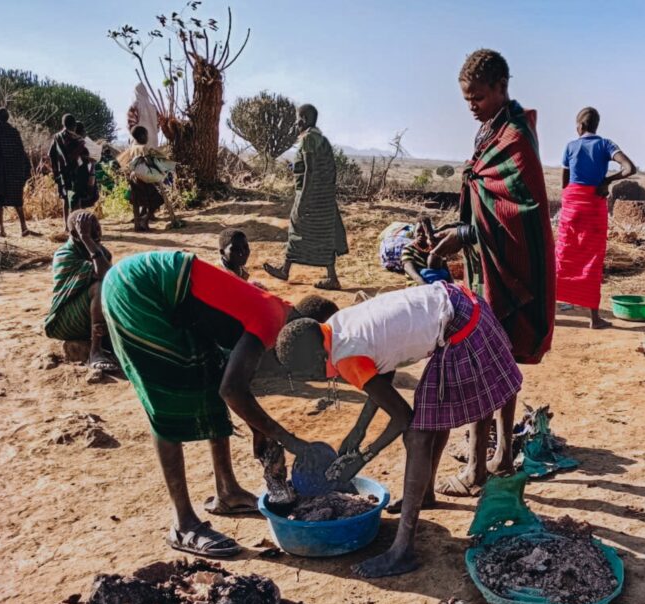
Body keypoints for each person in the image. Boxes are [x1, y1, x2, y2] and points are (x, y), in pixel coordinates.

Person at [275, 281, 522, 577]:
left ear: (317, 359)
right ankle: (425, 493)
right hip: (460, 302)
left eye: (309, 374)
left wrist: (365, 455)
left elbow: (402, 417)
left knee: (418, 434)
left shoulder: (345, 357)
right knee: (432, 414)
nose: (314, 379)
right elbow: (383, 368)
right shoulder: (335, 327)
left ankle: (402, 550)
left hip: (461, 326)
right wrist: (359, 430)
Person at [101, 250, 318, 557]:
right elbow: (233, 391)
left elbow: (230, 383)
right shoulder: (270, 322)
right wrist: (289, 439)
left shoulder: (277, 310)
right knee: (167, 398)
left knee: (209, 372)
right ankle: (183, 523)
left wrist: (259, 429)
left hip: (169, 295)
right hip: (138, 290)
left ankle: (227, 492)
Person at [430, 49, 555, 496]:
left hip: (508, 267)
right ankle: (499, 452)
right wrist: (458, 232)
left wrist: (462, 234)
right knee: (496, 358)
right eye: (467, 99)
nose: (472, 106)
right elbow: (486, 197)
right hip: (488, 265)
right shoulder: (494, 130)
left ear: (502, 87)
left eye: (479, 97)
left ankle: (479, 470)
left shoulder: (515, 137)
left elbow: (517, 212)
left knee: (487, 361)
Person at [556, 107, 636, 329]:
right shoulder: (606, 144)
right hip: (593, 205)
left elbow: (564, 182)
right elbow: (629, 168)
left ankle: (548, 314)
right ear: (596, 126)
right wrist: (606, 181)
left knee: (564, 256)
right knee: (592, 259)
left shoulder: (570, 146)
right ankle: (594, 319)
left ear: (579, 127)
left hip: (572, 204)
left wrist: (570, 202)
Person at [263, 104, 348, 290]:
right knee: (324, 236)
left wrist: (303, 200)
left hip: (311, 197)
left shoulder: (308, 139)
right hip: (324, 199)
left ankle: (286, 270)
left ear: (304, 119)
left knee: (296, 230)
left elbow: (310, 170)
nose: (296, 123)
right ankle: (330, 277)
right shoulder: (322, 139)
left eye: (297, 118)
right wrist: (296, 169)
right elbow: (321, 168)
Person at [43, 210, 119, 372]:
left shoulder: (101, 252)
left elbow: (112, 279)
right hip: (64, 320)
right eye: (91, 230)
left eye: (98, 227)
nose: (98, 233)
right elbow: (103, 275)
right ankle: (95, 351)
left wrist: (90, 241)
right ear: (75, 234)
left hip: (89, 314)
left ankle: (110, 342)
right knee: (99, 287)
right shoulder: (64, 254)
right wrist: (87, 239)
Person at [0, 107, 34, 238]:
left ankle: (1, 230)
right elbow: (21, 153)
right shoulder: (14, 132)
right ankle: (23, 227)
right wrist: (23, 172)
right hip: (14, 173)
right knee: (17, 201)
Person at [117, 126, 170, 232]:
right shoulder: (143, 148)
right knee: (156, 201)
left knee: (136, 204)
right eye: (146, 135)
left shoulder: (131, 149)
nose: (147, 137)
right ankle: (145, 220)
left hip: (134, 180)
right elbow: (149, 162)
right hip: (144, 180)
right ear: (142, 136)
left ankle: (137, 225)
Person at [48, 114, 89, 226]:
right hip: (76, 172)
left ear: (63, 124)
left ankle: (66, 225)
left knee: (65, 198)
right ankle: (76, 224)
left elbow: (51, 154)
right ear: (75, 126)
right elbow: (85, 155)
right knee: (76, 198)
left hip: (62, 172)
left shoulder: (57, 137)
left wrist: (56, 168)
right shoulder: (78, 140)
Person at [402, 216, 452, 286]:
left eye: (424, 232)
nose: (421, 234)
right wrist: (425, 286)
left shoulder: (435, 248)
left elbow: (445, 267)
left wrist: (451, 285)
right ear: (414, 233)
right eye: (419, 231)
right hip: (417, 285)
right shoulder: (408, 249)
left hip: (436, 284)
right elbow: (410, 270)